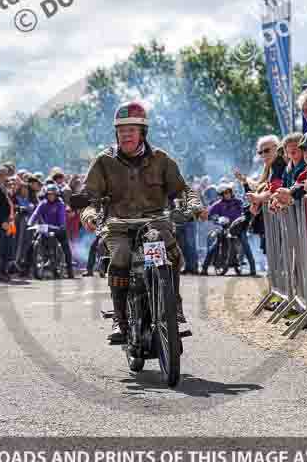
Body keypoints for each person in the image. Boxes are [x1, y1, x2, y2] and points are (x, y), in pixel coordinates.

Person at [80, 100, 206, 344]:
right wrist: (89, 214)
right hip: (118, 225)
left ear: (142, 132)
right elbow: (90, 197)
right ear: (116, 133)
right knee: (122, 256)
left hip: (155, 224)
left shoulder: (161, 159)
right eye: (121, 130)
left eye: (132, 130)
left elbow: (183, 189)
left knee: (172, 253)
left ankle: (172, 307)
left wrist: (194, 205)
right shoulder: (103, 161)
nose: (126, 135)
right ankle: (120, 319)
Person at [201, 184, 255, 276]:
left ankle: (253, 269)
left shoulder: (238, 202)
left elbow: (246, 210)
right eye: (225, 193)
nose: (227, 194)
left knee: (245, 245)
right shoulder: (218, 204)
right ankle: (204, 268)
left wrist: (244, 216)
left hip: (239, 228)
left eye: (229, 192)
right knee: (214, 246)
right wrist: (210, 217)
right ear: (221, 194)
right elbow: (209, 213)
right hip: (225, 228)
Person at [28, 183, 75, 279]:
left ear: (56, 195)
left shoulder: (60, 204)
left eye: (53, 194)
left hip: (58, 228)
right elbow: (35, 214)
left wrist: (61, 226)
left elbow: (62, 217)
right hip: (45, 228)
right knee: (32, 243)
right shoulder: (43, 203)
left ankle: (70, 269)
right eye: (49, 194)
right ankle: (27, 266)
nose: (51, 196)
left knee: (65, 247)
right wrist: (30, 223)